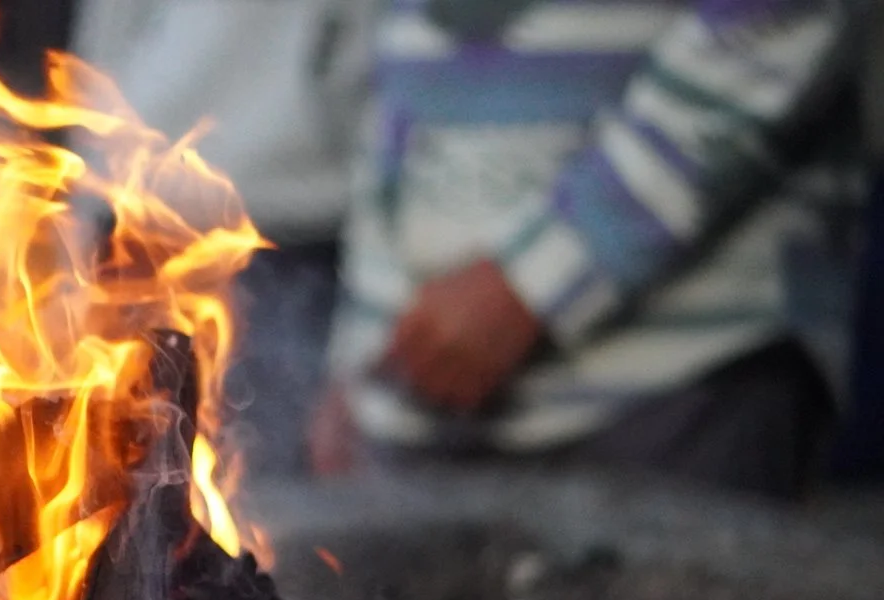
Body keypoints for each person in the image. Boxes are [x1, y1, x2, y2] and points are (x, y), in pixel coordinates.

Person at [312, 0, 866, 499]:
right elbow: (396, 74)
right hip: (416, 396)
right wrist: (361, 344)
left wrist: (539, 279)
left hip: (675, 383)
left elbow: (782, 20)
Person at [73, 0, 369, 475]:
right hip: (132, 224)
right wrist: (91, 200)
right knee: (117, 492)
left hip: (286, 241)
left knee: (255, 500)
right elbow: (103, 39)